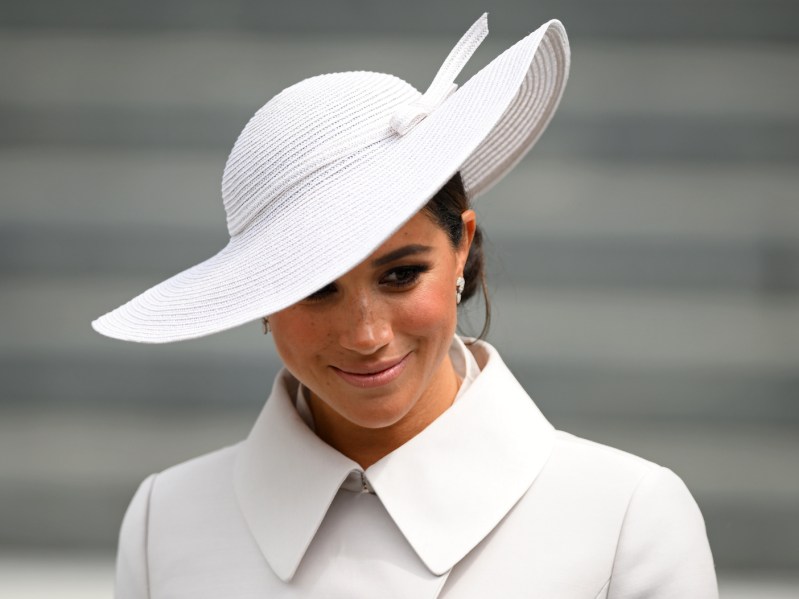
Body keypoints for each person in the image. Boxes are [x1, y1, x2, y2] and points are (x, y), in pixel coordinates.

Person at [93, 14, 718, 598]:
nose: (365, 334)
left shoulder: (627, 520)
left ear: (462, 246)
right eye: (315, 288)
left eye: (400, 274)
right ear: (260, 302)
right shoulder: (164, 525)